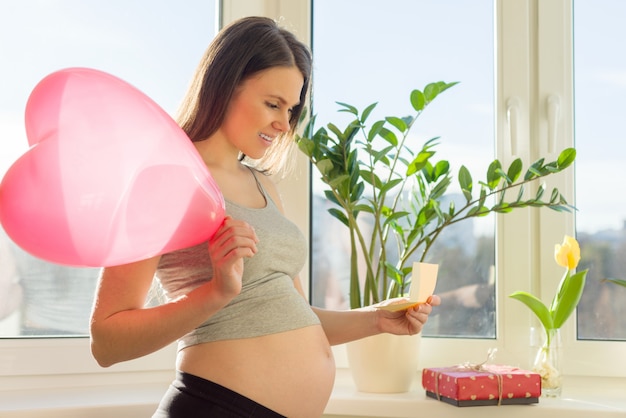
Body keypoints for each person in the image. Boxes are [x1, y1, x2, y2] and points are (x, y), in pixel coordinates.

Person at [89, 16, 441, 418]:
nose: (284, 124)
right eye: (272, 104)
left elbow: (292, 315)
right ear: (223, 86)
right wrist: (215, 293)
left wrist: (378, 320)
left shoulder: (263, 186)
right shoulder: (164, 182)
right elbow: (106, 341)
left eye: (290, 110)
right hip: (212, 407)